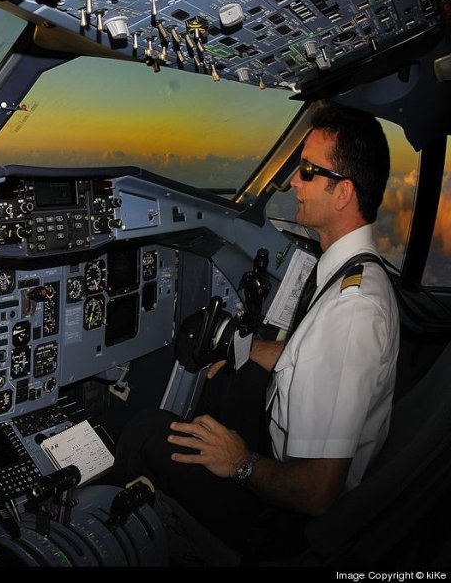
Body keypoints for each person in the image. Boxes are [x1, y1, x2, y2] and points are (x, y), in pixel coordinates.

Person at [111, 100, 399, 558]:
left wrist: (240, 463)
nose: (292, 182)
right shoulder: (358, 276)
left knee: (146, 429)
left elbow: (317, 491)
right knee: (234, 379)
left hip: (287, 523)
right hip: (283, 454)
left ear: (343, 192)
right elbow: (310, 360)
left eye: (307, 171)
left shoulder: (354, 311)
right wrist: (242, 345)